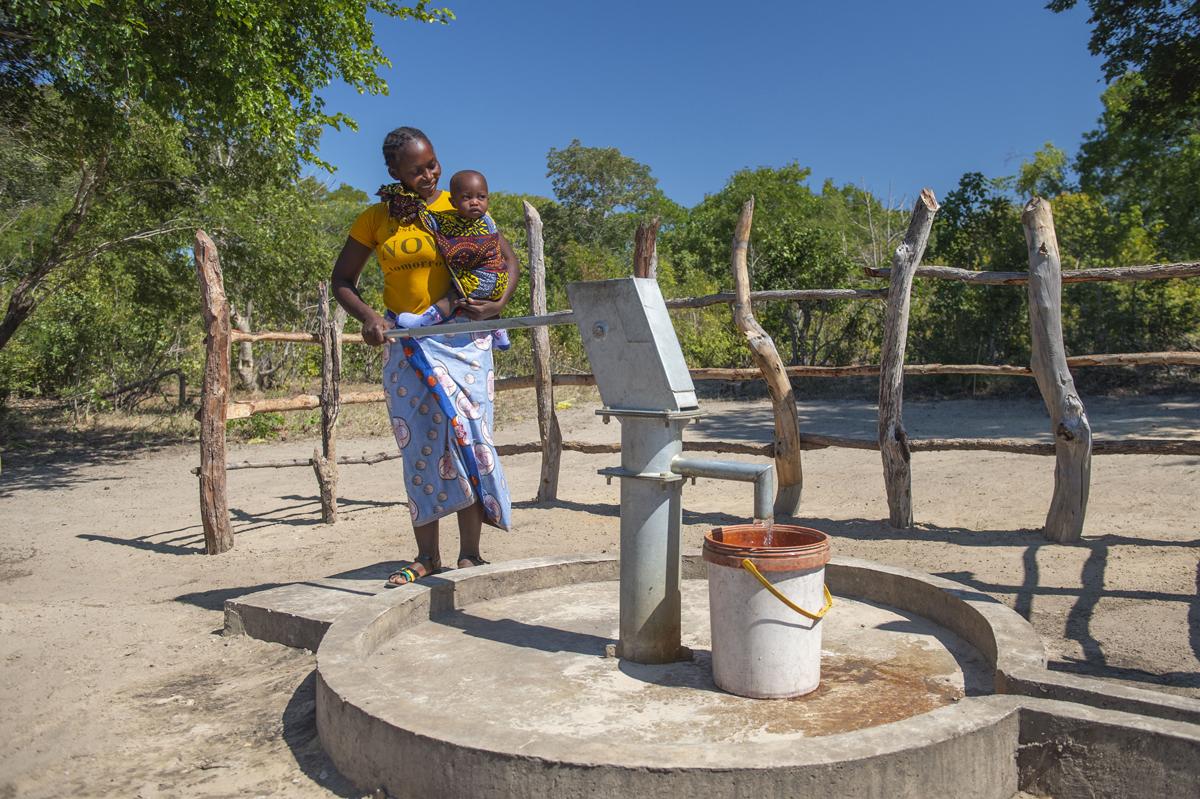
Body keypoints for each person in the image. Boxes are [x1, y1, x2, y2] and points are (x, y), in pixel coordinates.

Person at [330, 126, 519, 587]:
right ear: (394, 171)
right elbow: (343, 280)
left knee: (470, 437)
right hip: (406, 345)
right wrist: (370, 317)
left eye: (432, 165)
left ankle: (470, 554)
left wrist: (497, 305)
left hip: (463, 343)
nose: (429, 175)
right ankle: (426, 556)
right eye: (416, 170)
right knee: (419, 447)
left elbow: (506, 261)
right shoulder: (376, 219)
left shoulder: (460, 206)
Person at [385, 169, 511, 350]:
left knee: (452, 297)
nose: (475, 202)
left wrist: (418, 210)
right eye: (467, 198)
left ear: (488, 200)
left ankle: (424, 322)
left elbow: (434, 221)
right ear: (453, 203)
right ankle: (500, 334)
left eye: (481, 197)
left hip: (483, 279)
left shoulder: (481, 223)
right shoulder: (488, 222)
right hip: (498, 282)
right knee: (482, 303)